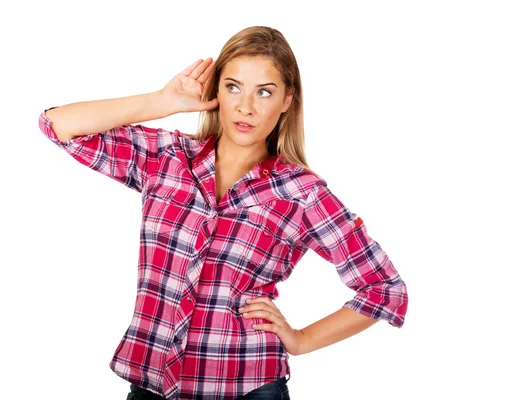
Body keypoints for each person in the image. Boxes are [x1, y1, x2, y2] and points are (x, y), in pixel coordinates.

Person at [38, 26, 408, 400]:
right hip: (152, 387)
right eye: (233, 87)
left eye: (264, 92)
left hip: (248, 386)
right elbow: (57, 125)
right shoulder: (167, 159)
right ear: (216, 91)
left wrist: (300, 340)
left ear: (287, 100)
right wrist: (162, 101)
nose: (246, 107)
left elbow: (385, 289)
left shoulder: (302, 194)